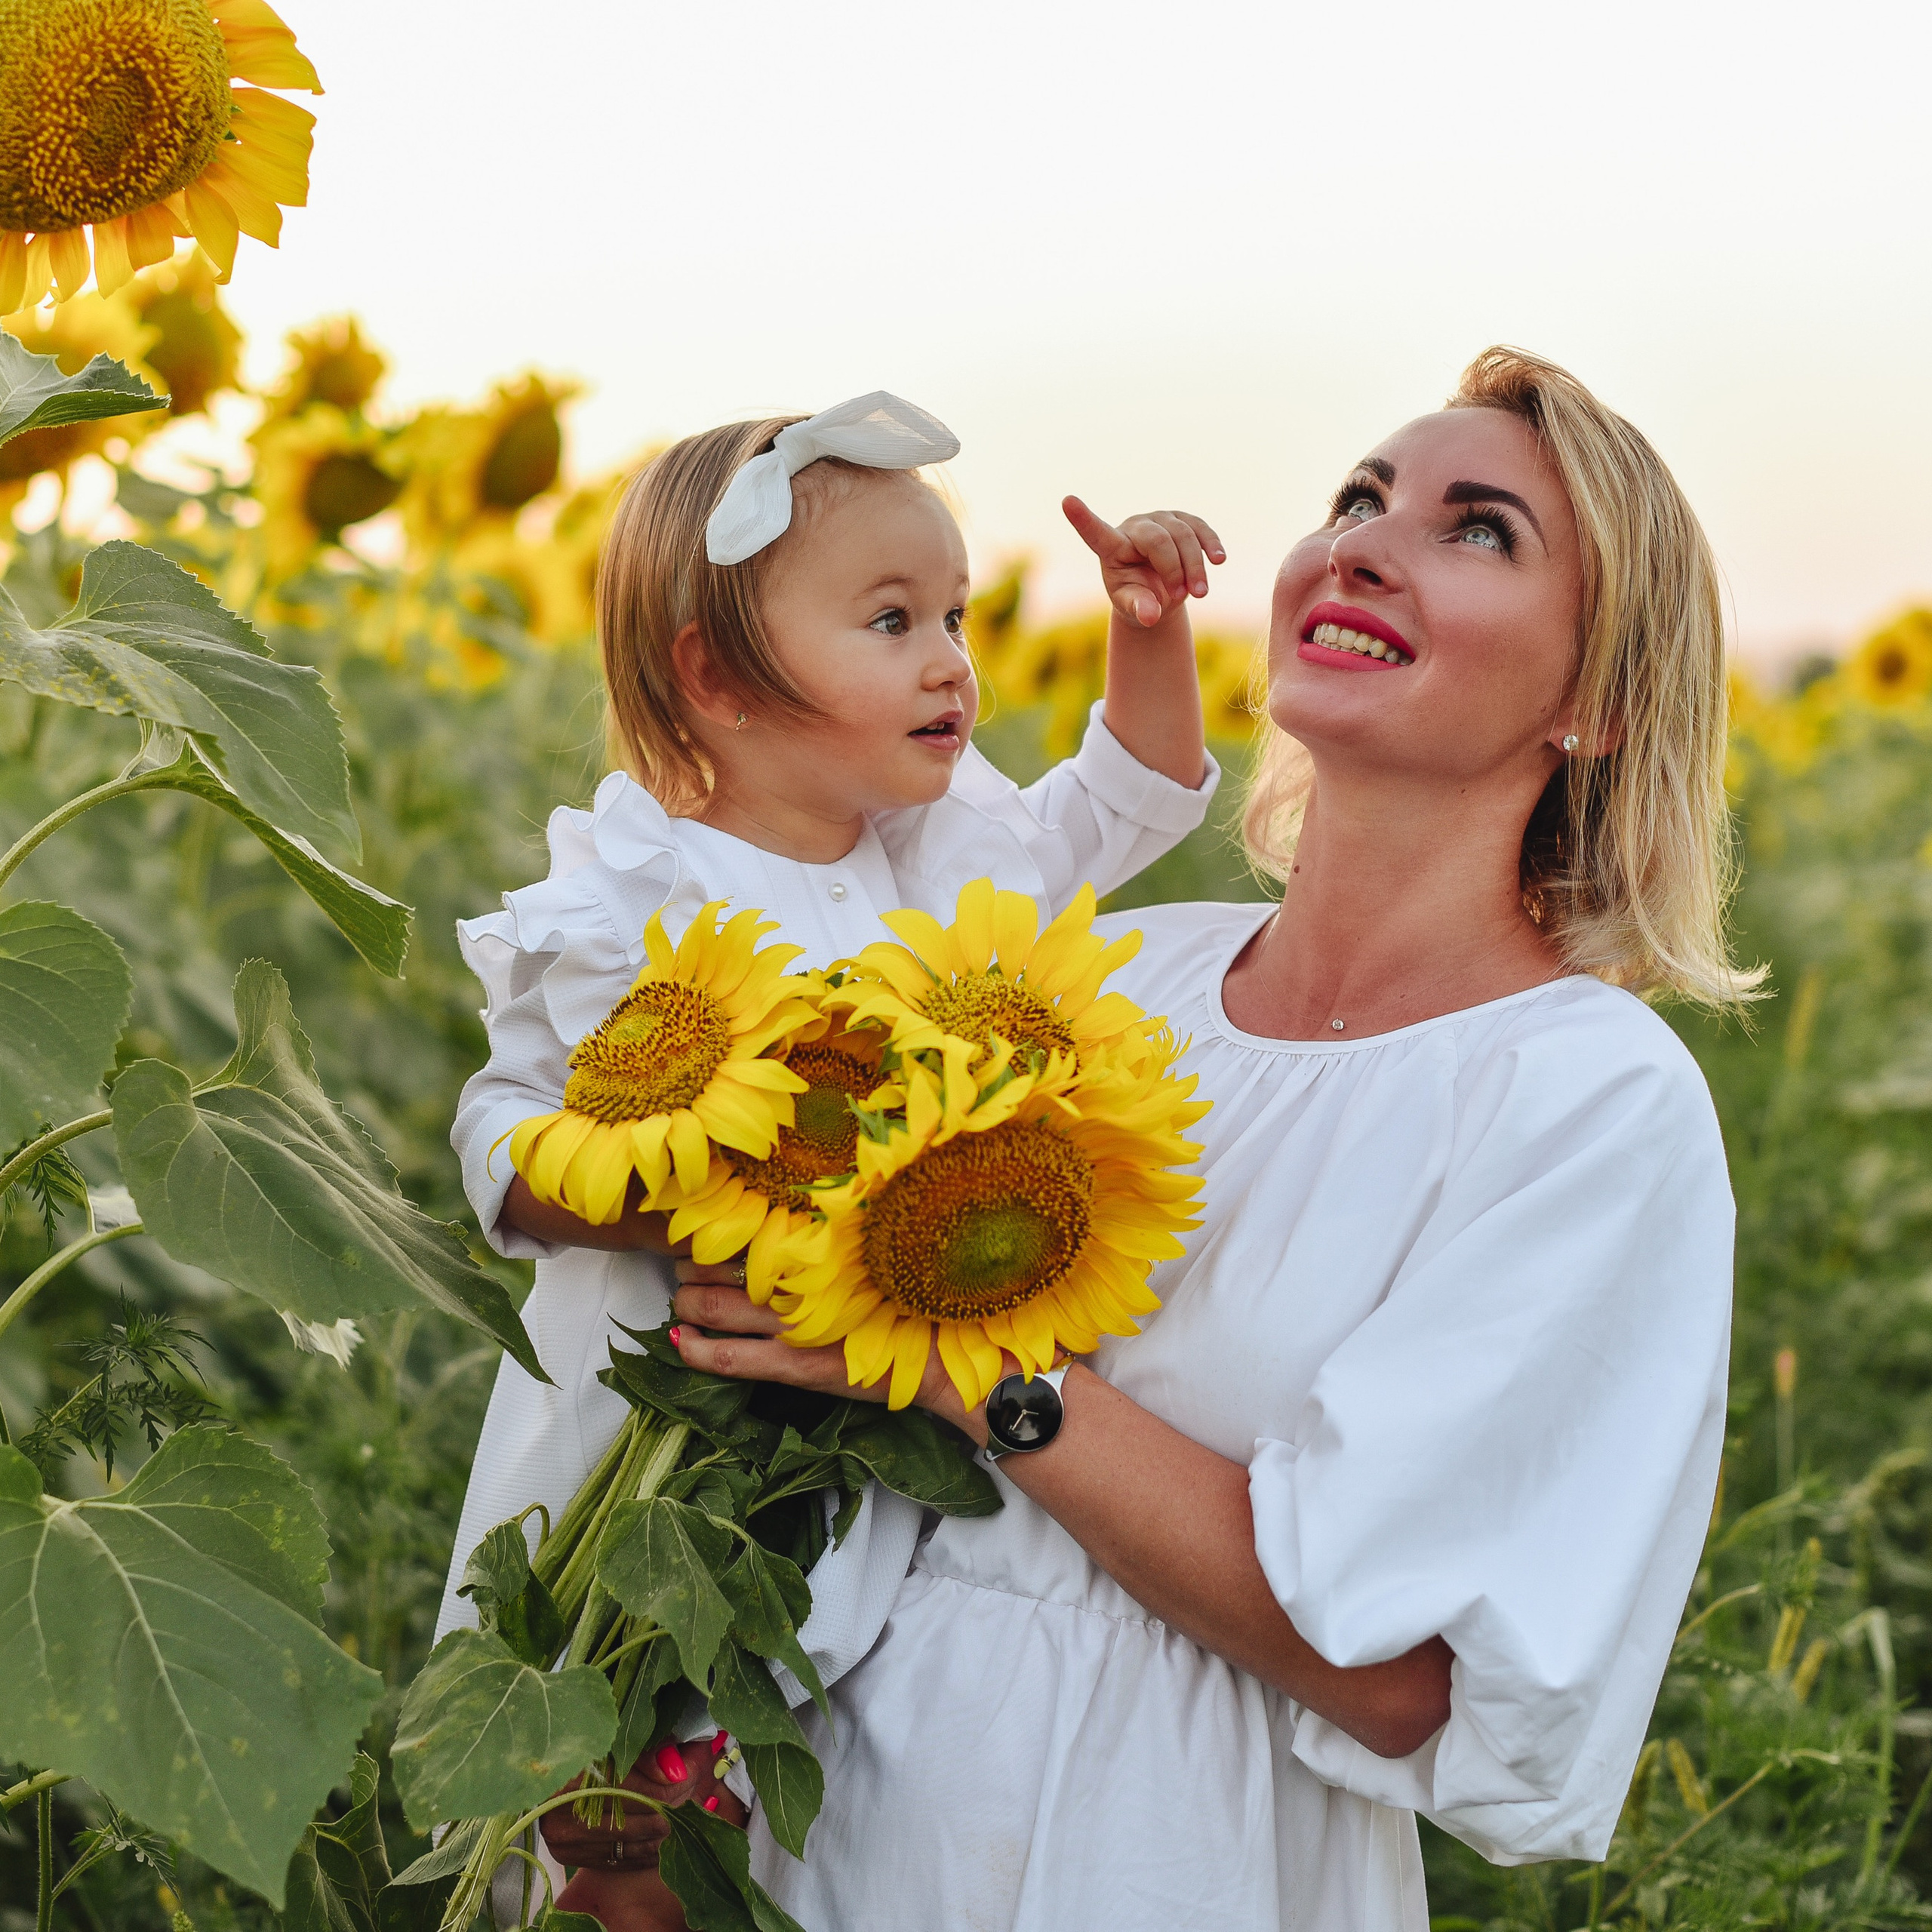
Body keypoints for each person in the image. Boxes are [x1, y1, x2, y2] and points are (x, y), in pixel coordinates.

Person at [665, 347, 1749, 1930]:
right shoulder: (1110, 966)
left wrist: (960, 1358)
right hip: (823, 1831)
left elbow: (1393, 1673)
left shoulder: (1580, 1095)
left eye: (1478, 528)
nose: (1362, 541)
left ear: (1595, 699)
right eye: (1357, 497)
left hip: (1177, 1861)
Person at [433, 391, 1227, 1927]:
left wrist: (1146, 626)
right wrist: (654, 1174)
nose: (950, 660)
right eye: (887, 619)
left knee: (772, 1787)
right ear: (711, 674)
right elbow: (494, 1127)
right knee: (605, 1791)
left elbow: (1125, 797)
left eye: (952, 614)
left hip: (843, 1453)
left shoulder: (939, 862)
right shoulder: (640, 889)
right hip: (641, 1439)